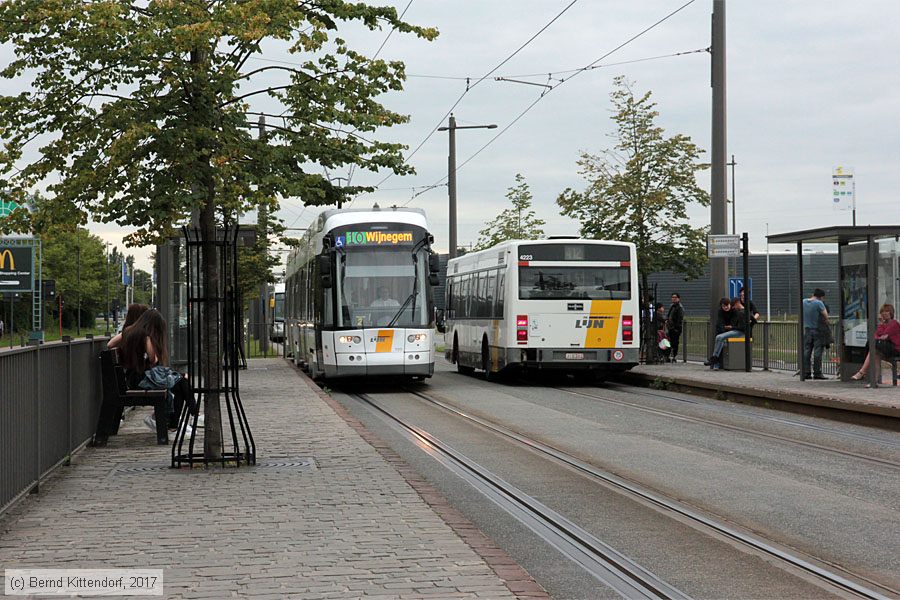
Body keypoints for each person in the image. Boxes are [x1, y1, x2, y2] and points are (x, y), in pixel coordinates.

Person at [119, 309, 197, 435]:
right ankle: (188, 416)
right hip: (143, 380)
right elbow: (153, 359)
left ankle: (180, 420)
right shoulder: (146, 336)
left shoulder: (128, 332)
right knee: (182, 383)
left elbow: (110, 344)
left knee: (181, 384)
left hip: (133, 378)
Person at [851, 303, 900, 387]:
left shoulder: (894, 323)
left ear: (891, 313)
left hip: (896, 349)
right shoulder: (882, 325)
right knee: (875, 353)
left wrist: (881, 335)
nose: (884, 313)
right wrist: (881, 332)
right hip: (886, 348)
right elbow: (876, 335)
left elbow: (885, 335)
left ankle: (862, 372)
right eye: (882, 312)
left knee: (874, 347)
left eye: (887, 311)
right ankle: (874, 381)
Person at [707, 297, 747, 369]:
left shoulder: (736, 311)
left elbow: (734, 324)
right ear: (721, 306)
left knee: (719, 338)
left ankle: (714, 360)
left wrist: (728, 327)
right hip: (725, 331)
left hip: (735, 331)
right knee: (720, 340)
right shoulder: (720, 312)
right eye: (724, 306)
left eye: (727, 305)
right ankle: (715, 362)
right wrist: (726, 328)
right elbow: (720, 323)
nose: (726, 307)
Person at [802, 288, 829, 380]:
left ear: (813, 294)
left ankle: (806, 372)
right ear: (821, 297)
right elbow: (825, 315)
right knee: (818, 352)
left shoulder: (804, 302)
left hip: (807, 330)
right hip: (817, 330)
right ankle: (817, 372)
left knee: (807, 351)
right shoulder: (819, 303)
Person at [666, 293, 684, 363]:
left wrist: (675, 328)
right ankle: (670, 356)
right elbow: (669, 315)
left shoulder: (679, 307)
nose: (673, 298)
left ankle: (674, 356)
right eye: (672, 297)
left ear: (678, 298)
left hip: (675, 328)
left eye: (675, 297)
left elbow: (680, 318)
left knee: (675, 342)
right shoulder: (672, 306)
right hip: (670, 327)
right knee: (670, 342)